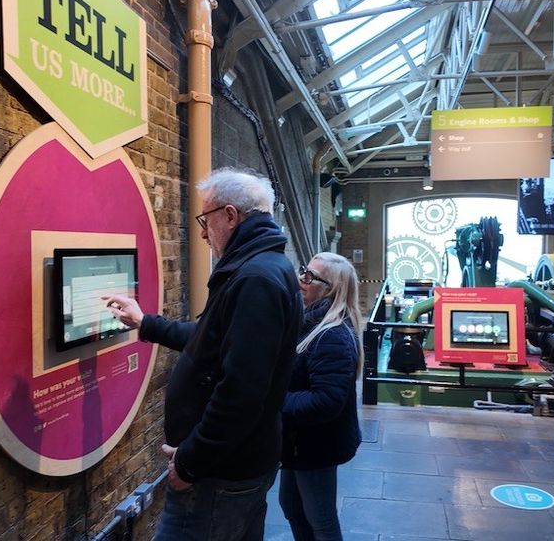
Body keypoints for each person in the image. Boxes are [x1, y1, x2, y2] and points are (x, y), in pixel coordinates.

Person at [104, 167, 303, 541]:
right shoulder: (264, 267)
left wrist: (191, 461)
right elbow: (216, 340)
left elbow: (241, 392)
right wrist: (146, 322)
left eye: (204, 218)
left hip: (219, 473)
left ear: (229, 215)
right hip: (241, 463)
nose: (201, 231)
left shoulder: (254, 278)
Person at [279, 252, 363, 541]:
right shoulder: (309, 323)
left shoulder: (332, 336)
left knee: (321, 520)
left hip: (316, 445)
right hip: (299, 442)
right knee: (291, 506)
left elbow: (326, 401)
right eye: (305, 272)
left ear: (331, 288)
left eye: (311, 277)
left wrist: (273, 403)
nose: (302, 280)